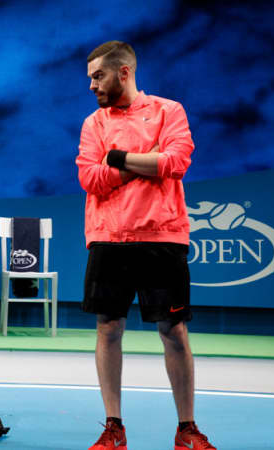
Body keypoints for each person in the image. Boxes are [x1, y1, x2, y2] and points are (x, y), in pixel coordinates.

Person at [76, 41, 216, 450]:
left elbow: (175, 162)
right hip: (109, 237)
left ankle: (187, 430)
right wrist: (143, 160)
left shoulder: (168, 111)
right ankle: (113, 428)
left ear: (124, 72)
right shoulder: (93, 124)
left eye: (98, 76)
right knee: (108, 329)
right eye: (89, 79)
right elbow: (91, 179)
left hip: (162, 237)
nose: (91, 86)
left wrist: (116, 157)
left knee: (173, 330)